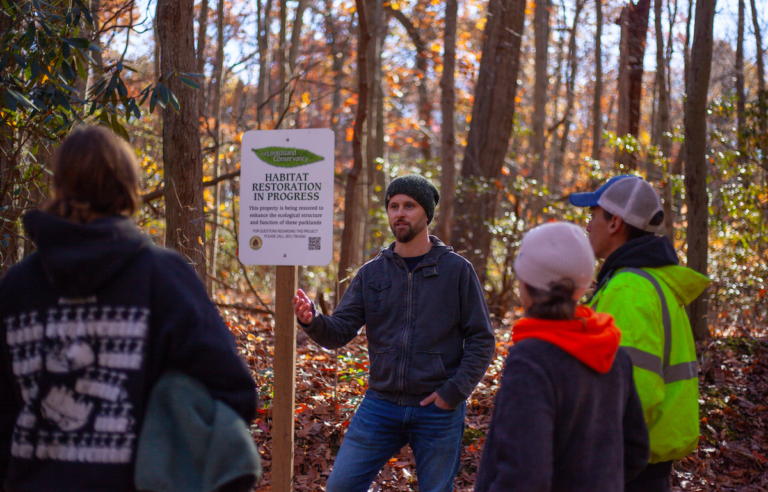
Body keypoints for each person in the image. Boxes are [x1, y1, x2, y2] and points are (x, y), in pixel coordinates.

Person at [0, 125, 257, 492]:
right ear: (126, 184)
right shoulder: (163, 277)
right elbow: (234, 392)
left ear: (60, 185)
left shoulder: (16, 287)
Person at [293, 173, 495, 492]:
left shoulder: (457, 270)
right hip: (381, 404)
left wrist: (454, 391)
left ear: (426, 213)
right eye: (393, 206)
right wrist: (312, 320)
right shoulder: (373, 273)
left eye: (409, 206)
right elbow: (339, 332)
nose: (399, 213)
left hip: (437, 407)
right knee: (340, 487)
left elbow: (482, 339)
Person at [474, 222, 650, 492]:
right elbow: (636, 450)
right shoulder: (612, 352)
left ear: (525, 283)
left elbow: (523, 479)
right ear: (580, 288)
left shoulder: (531, 359)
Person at [569, 175, 709, 491]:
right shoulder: (650, 282)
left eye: (593, 215)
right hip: (644, 465)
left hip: (626, 469)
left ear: (615, 222)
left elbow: (633, 390)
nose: (588, 226)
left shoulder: (630, 288)